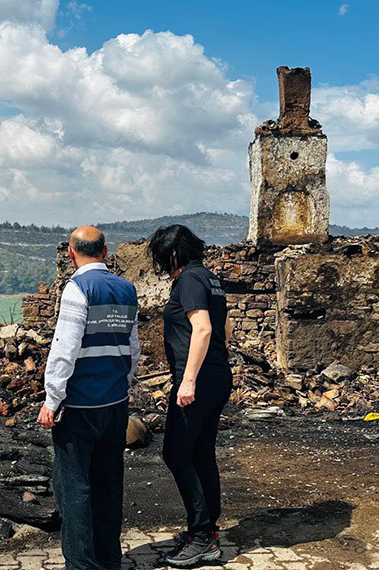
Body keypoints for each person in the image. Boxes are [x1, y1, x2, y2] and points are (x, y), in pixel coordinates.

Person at [38, 226, 140, 570]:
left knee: (74, 488)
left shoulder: (77, 288)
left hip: (79, 407)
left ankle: (81, 564)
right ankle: (109, 559)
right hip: (115, 405)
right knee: (109, 484)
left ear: (71, 253)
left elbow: (64, 349)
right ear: (105, 251)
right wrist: (122, 384)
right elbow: (133, 349)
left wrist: (52, 399)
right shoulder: (127, 290)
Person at [147, 224, 234, 567]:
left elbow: (204, 328)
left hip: (198, 381)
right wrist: (216, 359)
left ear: (172, 254)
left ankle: (202, 537)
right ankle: (208, 529)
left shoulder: (188, 280)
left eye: (161, 258)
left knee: (176, 454)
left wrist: (188, 380)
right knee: (200, 454)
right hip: (216, 376)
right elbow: (226, 326)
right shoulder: (210, 278)